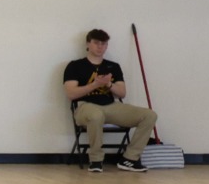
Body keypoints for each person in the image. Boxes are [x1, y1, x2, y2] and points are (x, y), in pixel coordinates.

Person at [64, 29, 155, 173]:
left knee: (149, 115)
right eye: (96, 43)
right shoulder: (75, 66)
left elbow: (122, 93)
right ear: (88, 43)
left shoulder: (113, 66)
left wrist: (108, 84)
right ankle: (96, 160)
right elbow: (70, 93)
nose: (100, 47)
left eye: (103, 43)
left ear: (107, 46)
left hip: (110, 106)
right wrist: (94, 85)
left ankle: (129, 159)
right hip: (85, 106)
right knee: (96, 115)